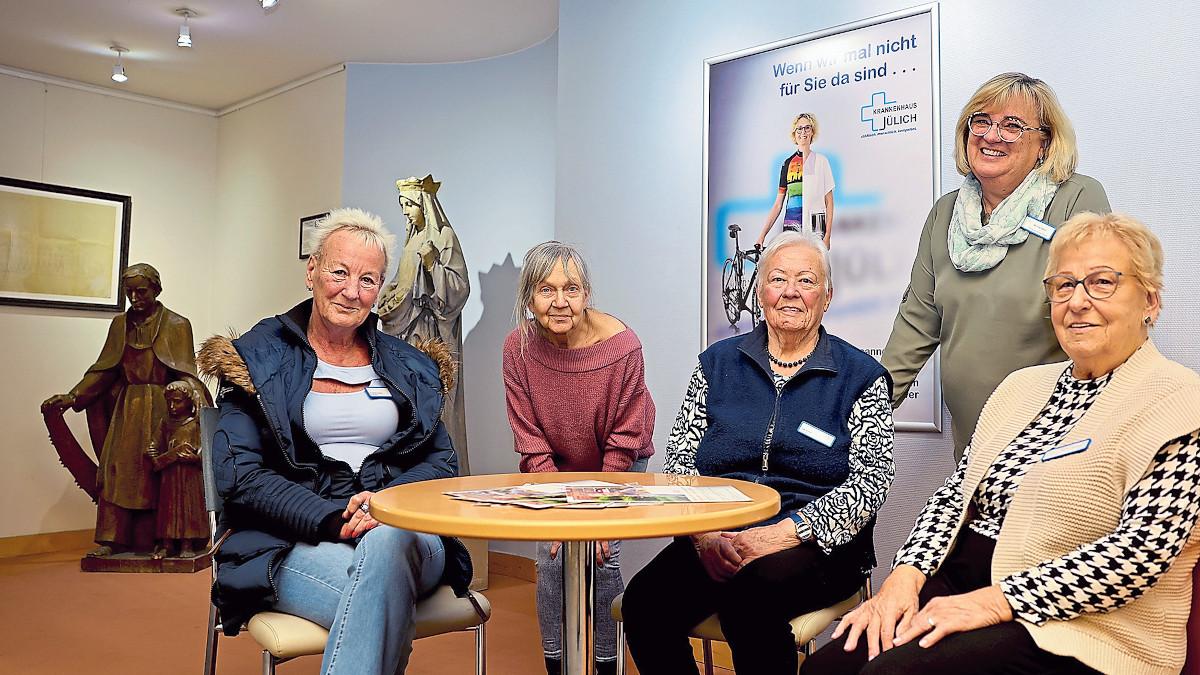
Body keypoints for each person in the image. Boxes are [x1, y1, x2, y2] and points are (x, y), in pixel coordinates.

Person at [803, 212, 1200, 675]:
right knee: (827, 669)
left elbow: (1139, 553)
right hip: (963, 583)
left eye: (1102, 282)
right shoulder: (1020, 387)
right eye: (1063, 285)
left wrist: (997, 603)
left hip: (1081, 626)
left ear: (1150, 300)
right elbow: (955, 495)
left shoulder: (1178, 402)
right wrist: (905, 579)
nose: (1078, 301)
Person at [197, 208, 472, 675]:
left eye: (368, 280)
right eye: (339, 272)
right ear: (312, 271)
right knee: (380, 600)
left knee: (387, 545)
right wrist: (330, 519)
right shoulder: (259, 357)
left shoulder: (410, 365)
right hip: (290, 539)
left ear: (381, 290)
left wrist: (382, 506)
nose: (351, 291)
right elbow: (241, 475)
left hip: (405, 535)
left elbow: (441, 461)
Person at [622, 232, 895, 675]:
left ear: (827, 297)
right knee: (644, 604)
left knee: (748, 600)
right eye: (777, 279)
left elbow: (870, 482)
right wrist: (705, 537)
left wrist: (778, 535)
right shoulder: (717, 364)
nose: (790, 291)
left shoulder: (860, 377)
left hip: (817, 545)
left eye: (806, 281)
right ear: (759, 291)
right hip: (718, 535)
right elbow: (678, 465)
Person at [882, 73, 1111, 460]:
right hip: (974, 444)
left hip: (1056, 441)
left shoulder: (1075, 199)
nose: (992, 135)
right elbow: (917, 322)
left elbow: (1099, 316)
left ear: (1045, 143)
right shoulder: (946, 214)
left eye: (1012, 126)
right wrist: (864, 411)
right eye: (982, 121)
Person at [502, 241, 656, 675]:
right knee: (552, 560)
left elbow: (626, 435)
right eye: (546, 290)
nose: (560, 301)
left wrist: (598, 511)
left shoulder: (623, 346)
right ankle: (560, 665)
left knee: (602, 557)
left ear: (586, 293)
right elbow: (529, 437)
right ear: (529, 298)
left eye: (571, 288)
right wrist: (557, 506)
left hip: (618, 458)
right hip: (555, 465)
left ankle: (607, 667)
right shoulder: (516, 349)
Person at [41, 262, 208, 557]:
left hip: (162, 408)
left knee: (160, 473)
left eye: (141, 291)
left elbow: (184, 371)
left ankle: (164, 538)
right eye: (129, 292)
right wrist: (73, 396)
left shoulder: (177, 324)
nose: (135, 298)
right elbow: (105, 370)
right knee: (116, 471)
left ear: (156, 289)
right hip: (128, 410)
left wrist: (195, 396)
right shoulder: (120, 324)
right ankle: (111, 538)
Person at [377, 174, 472, 473]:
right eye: (402, 205)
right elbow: (405, 284)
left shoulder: (443, 238)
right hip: (407, 334)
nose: (405, 211)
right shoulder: (411, 242)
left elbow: (458, 290)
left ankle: (440, 467)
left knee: (433, 398)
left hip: (431, 333)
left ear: (425, 205)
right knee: (407, 402)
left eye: (410, 205)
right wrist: (390, 292)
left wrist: (432, 264)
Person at [147, 379, 208, 559]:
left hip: (189, 476)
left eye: (177, 401)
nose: (172, 406)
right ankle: (167, 544)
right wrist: (154, 455)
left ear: (189, 401)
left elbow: (206, 449)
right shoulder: (166, 423)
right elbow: (153, 444)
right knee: (168, 509)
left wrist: (195, 458)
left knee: (188, 509)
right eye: (169, 402)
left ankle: (187, 544)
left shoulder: (195, 423)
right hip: (170, 475)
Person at [756, 113, 836, 249]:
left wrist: (828, 235)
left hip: (815, 230)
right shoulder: (788, 164)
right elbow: (778, 205)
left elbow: (829, 202)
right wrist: (762, 235)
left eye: (807, 128)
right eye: (799, 129)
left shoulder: (821, 161)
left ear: (812, 132)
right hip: (791, 228)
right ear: (794, 133)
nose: (803, 132)